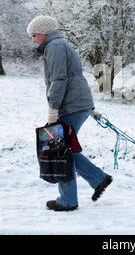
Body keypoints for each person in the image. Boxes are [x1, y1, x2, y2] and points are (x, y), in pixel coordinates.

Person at [28, 15, 113, 212]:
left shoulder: (54, 47)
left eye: (33, 35)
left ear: (43, 33)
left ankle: (68, 200)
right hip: (77, 104)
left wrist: (53, 108)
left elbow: (59, 79)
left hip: (70, 105)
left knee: (60, 151)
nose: (32, 40)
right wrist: (89, 109)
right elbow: (74, 77)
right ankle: (98, 178)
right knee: (66, 149)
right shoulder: (59, 44)